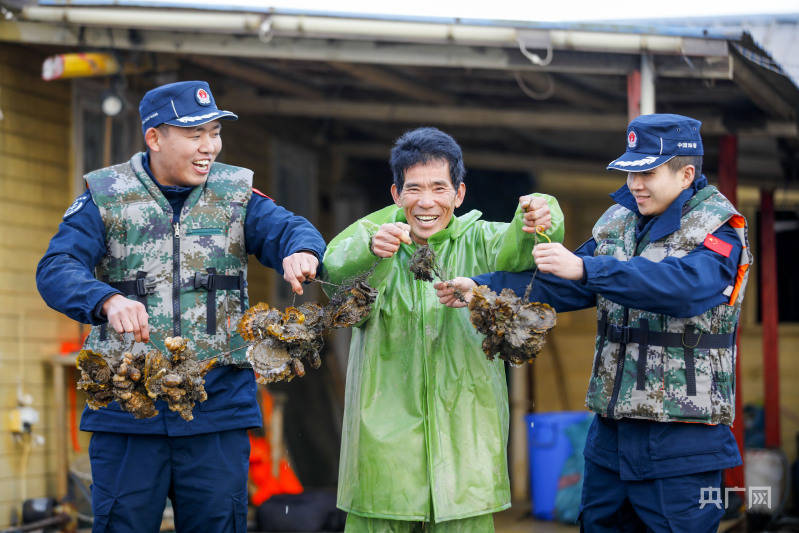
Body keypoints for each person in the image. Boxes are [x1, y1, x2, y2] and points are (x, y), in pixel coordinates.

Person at [437, 114, 752, 533]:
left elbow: (684, 287)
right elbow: (565, 283)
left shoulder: (717, 227)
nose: (635, 184)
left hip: (683, 438)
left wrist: (587, 270)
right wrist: (481, 287)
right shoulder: (618, 222)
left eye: (648, 173)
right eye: (630, 172)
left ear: (686, 173)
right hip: (610, 436)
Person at [36, 80, 326, 532]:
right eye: (195, 135)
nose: (208, 147)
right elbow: (56, 268)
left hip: (217, 406)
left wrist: (302, 251)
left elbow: (293, 230)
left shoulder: (237, 194)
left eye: (214, 133)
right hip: (127, 408)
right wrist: (106, 299)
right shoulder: (106, 194)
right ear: (154, 137)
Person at [323, 126, 564, 532]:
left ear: (460, 194)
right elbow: (334, 266)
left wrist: (546, 214)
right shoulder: (372, 238)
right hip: (382, 449)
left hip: (465, 444)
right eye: (414, 190)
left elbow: (520, 249)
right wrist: (371, 251)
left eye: (439, 187)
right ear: (396, 195)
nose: (427, 202)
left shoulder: (482, 242)